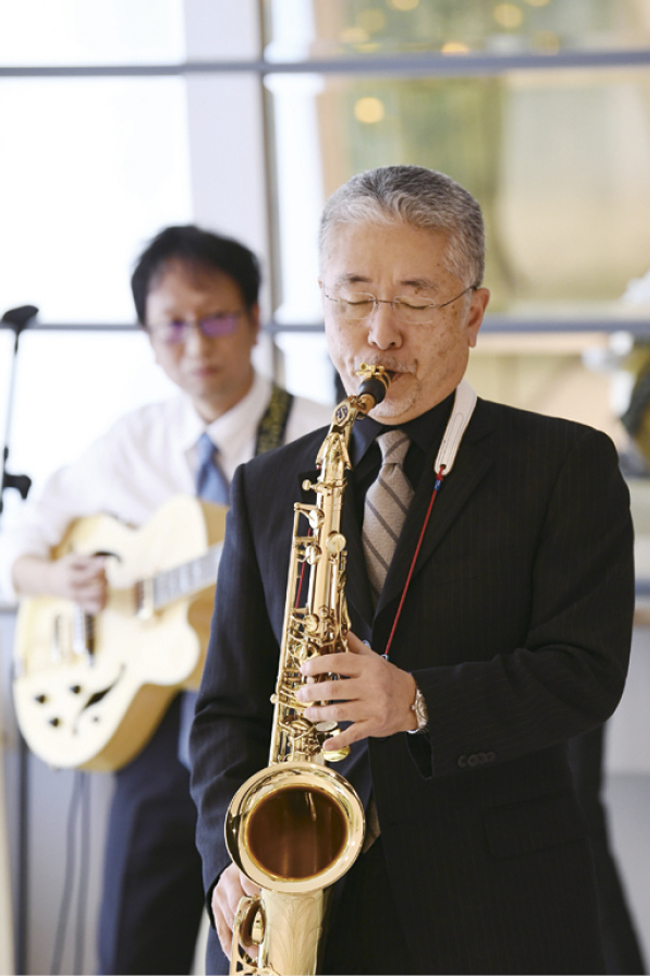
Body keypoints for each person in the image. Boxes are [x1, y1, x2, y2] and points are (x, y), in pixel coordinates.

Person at [190, 166, 635, 975]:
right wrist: (230, 860)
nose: (379, 333)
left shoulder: (567, 464)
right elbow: (225, 709)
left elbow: (585, 676)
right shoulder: (268, 482)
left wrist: (418, 700)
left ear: (473, 314)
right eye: (354, 298)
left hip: (499, 913)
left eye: (415, 299)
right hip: (307, 899)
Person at [0, 225, 330, 975]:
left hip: (264, 733)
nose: (196, 343)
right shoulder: (133, 441)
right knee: (130, 946)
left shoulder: (316, 438)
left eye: (214, 317)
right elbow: (20, 535)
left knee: (247, 950)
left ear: (253, 318)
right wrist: (56, 580)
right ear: (150, 340)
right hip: (150, 732)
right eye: (171, 325)